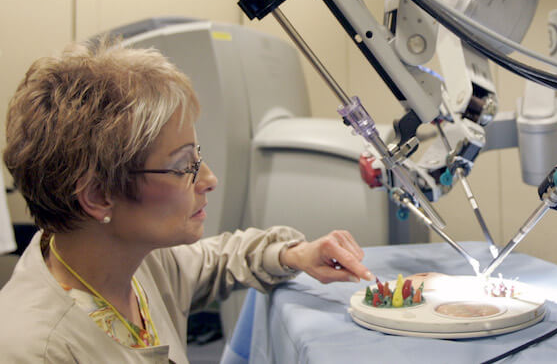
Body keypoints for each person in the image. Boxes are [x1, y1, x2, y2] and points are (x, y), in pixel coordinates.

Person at [0, 41, 374, 363]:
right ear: (98, 195)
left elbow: (218, 259)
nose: (209, 180)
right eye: (183, 167)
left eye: (198, 157)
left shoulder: (135, 262)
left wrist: (296, 254)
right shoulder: (36, 349)